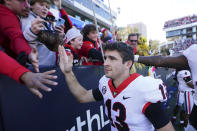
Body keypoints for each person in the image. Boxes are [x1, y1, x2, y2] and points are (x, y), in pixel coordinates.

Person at [58, 42, 174, 131]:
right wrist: (68, 73)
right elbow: (82, 96)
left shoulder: (143, 89)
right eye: (106, 58)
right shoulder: (106, 84)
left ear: (128, 63)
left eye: (112, 59)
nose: (105, 63)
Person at [134, 44, 197, 130]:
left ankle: (178, 120)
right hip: (187, 95)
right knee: (182, 109)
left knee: (180, 108)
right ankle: (180, 121)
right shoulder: (194, 52)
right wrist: (135, 58)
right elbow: (161, 61)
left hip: (186, 93)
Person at [21, 0, 65, 66]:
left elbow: (57, 45)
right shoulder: (28, 19)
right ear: (31, 5)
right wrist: (59, 37)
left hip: (45, 66)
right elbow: (54, 44)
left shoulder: (44, 22)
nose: (45, 8)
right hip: (36, 68)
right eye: (41, 5)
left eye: (47, 7)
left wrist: (60, 35)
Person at [0, 0, 39, 72]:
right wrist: (28, 53)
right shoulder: (5, 15)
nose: (28, 6)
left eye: (28, 2)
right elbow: (16, 36)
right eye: (22, 1)